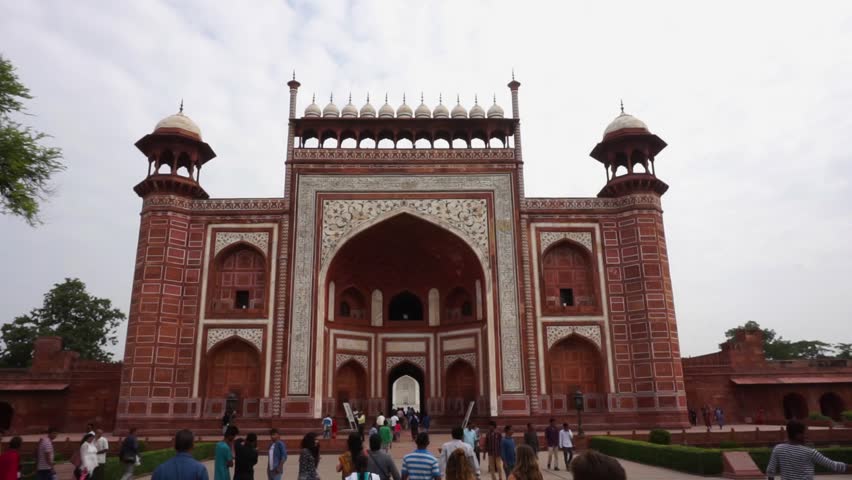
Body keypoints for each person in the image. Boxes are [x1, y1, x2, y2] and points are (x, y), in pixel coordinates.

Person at [766, 420, 850, 480]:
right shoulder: (809, 452)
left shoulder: (778, 449)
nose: (806, 435)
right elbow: (833, 465)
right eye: (805, 433)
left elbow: (770, 470)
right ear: (798, 435)